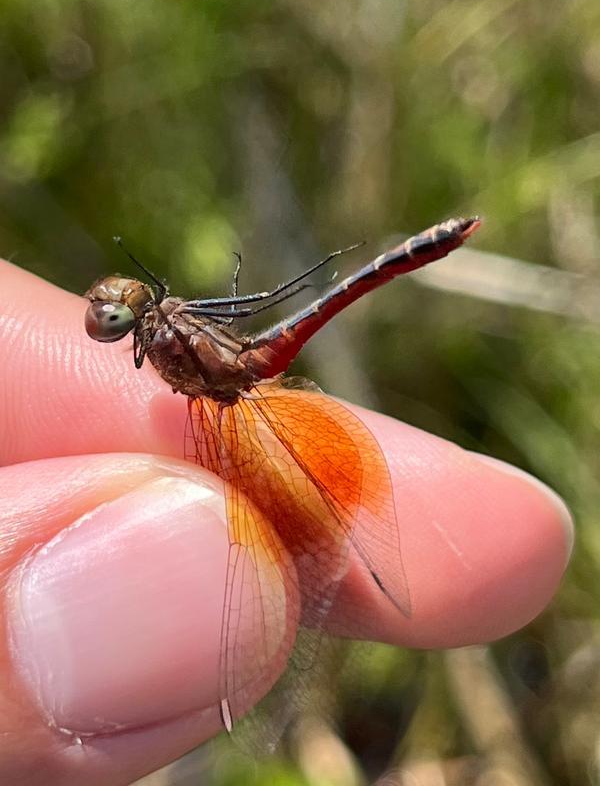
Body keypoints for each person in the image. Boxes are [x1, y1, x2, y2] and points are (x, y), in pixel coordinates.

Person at [0, 259, 573, 786]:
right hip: (224, 376)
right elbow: (247, 305)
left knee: (262, 550)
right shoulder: (168, 319)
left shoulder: (170, 333)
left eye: (113, 314)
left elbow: (249, 312)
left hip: (232, 381)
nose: (109, 318)